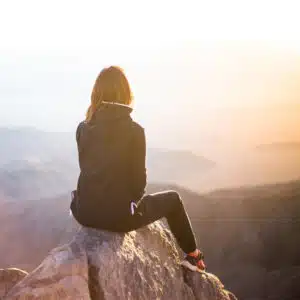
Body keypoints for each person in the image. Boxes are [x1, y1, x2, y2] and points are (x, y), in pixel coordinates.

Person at [70, 66, 206, 271]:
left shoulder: (82, 127)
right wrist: (130, 204)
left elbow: (88, 168)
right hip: (119, 218)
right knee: (174, 200)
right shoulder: (135, 131)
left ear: (96, 94)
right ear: (126, 94)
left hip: (84, 212)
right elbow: (138, 185)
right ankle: (193, 256)